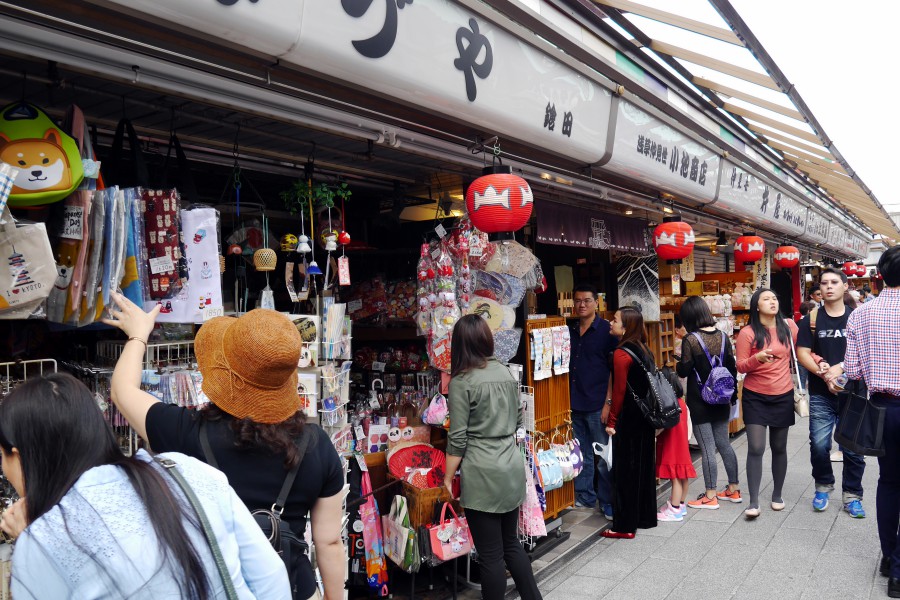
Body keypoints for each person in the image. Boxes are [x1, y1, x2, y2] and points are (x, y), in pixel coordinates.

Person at [103, 293, 345, 600]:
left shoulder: (184, 432)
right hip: (290, 588)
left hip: (211, 589)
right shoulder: (317, 445)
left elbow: (122, 390)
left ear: (223, 372)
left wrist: (139, 334)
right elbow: (328, 543)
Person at [0, 373, 290, 599]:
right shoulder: (184, 469)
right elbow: (271, 576)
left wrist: (34, 539)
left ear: (19, 455)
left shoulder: (44, 543)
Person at [444, 314, 542, 600]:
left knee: (490, 555)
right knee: (511, 544)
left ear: (459, 345)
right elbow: (517, 420)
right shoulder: (505, 373)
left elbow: (458, 438)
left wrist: (448, 477)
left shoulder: (462, 382)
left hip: (483, 469)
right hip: (510, 463)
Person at [828, 246, 900, 597]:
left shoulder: (861, 314)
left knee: (889, 483)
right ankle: (898, 570)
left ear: (881, 274)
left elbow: (852, 371)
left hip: (882, 409)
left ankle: (890, 557)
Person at [796, 268, 866, 518]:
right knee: (819, 445)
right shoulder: (811, 320)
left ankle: (852, 495)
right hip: (820, 393)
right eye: (824, 282)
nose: (828, 287)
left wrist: (841, 370)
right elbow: (802, 353)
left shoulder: (858, 317)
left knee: (853, 448)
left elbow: (866, 352)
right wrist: (825, 375)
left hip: (854, 392)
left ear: (845, 286)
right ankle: (823, 487)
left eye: (834, 282)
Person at [735, 288, 799, 519]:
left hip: (782, 394)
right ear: (756, 305)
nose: (772, 302)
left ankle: (777, 494)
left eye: (775, 298)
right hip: (755, 396)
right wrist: (756, 359)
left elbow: (800, 353)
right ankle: (753, 501)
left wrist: (820, 362)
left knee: (779, 447)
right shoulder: (748, 333)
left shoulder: (789, 327)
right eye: (766, 299)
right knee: (756, 447)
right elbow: (740, 366)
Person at [677, 296, 741, 510]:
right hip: (722, 397)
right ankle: (733, 489)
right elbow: (732, 367)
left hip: (700, 400)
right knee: (724, 443)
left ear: (688, 317)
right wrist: (733, 396)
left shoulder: (691, 339)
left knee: (707, 447)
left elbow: (683, 371)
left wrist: (679, 360)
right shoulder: (723, 336)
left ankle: (711, 495)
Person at [602, 307, 657, 539]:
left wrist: (612, 422)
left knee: (624, 472)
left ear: (625, 327)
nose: (610, 323)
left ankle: (623, 526)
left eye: (615, 320)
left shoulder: (621, 353)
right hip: (645, 416)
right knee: (643, 468)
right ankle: (644, 517)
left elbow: (620, 390)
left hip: (629, 418)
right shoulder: (644, 348)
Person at [568, 284, 617, 519]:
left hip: (598, 402)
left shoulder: (607, 331)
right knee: (581, 454)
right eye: (577, 301)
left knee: (604, 456)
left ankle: (608, 501)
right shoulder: (570, 330)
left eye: (586, 300)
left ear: (596, 302)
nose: (581, 305)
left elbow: (613, 370)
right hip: (574, 402)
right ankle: (585, 497)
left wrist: (608, 403)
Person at [655, 367, 696, 522]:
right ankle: (680, 504)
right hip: (682, 445)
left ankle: (675, 510)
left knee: (675, 478)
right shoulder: (682, 404)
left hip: (672, 446)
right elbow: (688, 425)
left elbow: (662, 427)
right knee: (683, 475)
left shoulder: (669, 405)